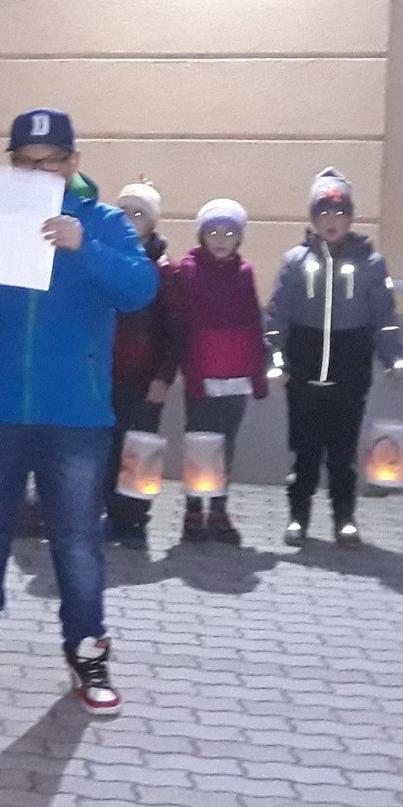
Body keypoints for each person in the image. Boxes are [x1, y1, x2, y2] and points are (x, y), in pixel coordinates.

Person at [0, 108, 156, 715]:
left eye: (51, 162)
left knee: (77, 543)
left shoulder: (103, 222)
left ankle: (87, 651)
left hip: (75, 417)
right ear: (12, 164)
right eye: (25, 162)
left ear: (73, 163)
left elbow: (140, 290)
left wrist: (86, 249)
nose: (38, 172)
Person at [266, 168, 403, 548]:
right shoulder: (296, 261)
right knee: (305, 450)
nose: (332, 221)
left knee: (343, 451)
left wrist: (394, 357)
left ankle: (344, 518)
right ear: (313, 219)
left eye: (340, 213)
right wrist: (276, 357)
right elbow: (278, 314)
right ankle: (298, 517)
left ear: (350, 218)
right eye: (324, 213)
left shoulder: (370, 264)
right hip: (305, 367)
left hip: (350, 368)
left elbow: (384, 316)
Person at [172, 198, 268, 546]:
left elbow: (253, 322)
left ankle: (219, 510)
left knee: (226, 443)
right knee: (200, 442)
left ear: (239, 238)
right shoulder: (188, 271)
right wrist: (182, 367)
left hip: (236, 373)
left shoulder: (244, 273)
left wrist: (259, 371)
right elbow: (181, 323)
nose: (221, 240)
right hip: (203, 371)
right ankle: (193, 511)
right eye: (213, 232)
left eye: (229, 233)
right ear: (202, 235)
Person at [103, 177, 179, 549]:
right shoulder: (106, 259)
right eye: (124, 212)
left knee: (140, 451)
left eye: (139, 214)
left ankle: (135, 521)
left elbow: (173, 330)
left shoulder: (163, 270)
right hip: (105, 374)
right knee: (107, 449)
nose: (130, 220)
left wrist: (163, 376)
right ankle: (109, 514)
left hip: (144, 378)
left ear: (152, 222)